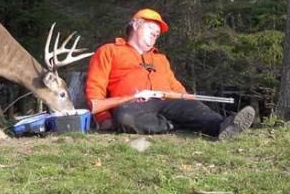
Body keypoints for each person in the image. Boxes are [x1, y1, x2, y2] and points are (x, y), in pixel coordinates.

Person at [85, 8, 255, 140]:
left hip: (168, 101)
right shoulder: (109, 51)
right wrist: (103, 118)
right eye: (151, 28)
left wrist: (189, 101)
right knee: (124, 117)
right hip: (134, 105)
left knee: (192, 108)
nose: (155, 34)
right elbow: (95, 88)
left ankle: (224, 126)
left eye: (157, 33)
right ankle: (176, 125)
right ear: (136, 24)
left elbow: (175, 86)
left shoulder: (160, 59)